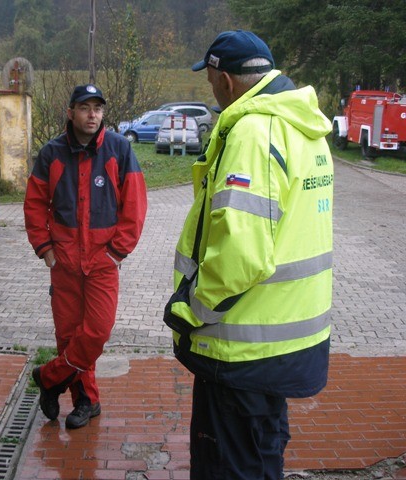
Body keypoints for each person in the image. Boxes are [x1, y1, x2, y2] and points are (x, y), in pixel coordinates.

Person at [164, 30, 333, 479]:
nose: (211, 90)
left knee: (230, 466)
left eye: (211, 81)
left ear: (225, 82)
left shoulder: (253, 133)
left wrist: (191, 309)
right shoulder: (304, 127)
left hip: (240, 346)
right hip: (283, 338)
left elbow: (241, 254)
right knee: (261, 458)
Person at [24, 84, 147, 429]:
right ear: (70, 113)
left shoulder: (119, 149)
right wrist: (45, 249)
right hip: (63, 262)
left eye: (97, 108)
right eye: (84, 108)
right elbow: (34, 203)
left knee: (95, 332)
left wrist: (116, 252)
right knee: (68, 335)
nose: (92, 115)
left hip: (102, 262)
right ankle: (85, 400)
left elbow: (135, 206)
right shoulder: (52, 153)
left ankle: (49, 377)